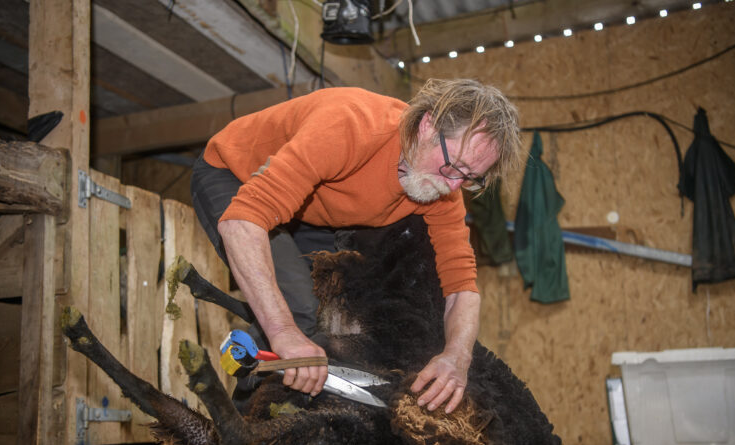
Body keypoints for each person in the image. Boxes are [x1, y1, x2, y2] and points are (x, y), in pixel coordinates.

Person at [190, 78, 520, 414]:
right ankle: (240, 439)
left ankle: (273, 397)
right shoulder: (351, 127)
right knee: (298, 315)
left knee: (333, 321)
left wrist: (457, 358)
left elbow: (461, 287)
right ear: (427, 124)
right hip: (235, 175)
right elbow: (242, 221)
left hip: (312, 211)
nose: (454, 185)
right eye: (454, 167)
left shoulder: (442, 188)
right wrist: (284, 331)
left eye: (470, 178)